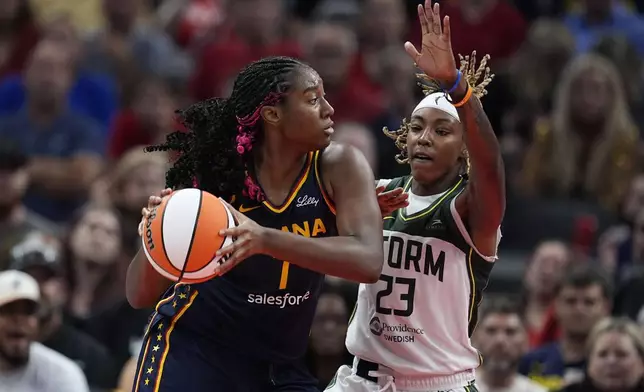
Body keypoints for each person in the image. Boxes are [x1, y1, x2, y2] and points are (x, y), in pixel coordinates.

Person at [126, 55, 385, 391]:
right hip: (196, 355)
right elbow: (138, 294)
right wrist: (157, 236)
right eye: (312, 99)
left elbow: (367, 261)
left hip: (281, 367)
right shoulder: (219, 174)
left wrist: (265, 239)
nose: (329, 109)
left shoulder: (339, 165)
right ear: (272, 114)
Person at [327, 2, 505, 391]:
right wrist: (348, 221)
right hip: (361, 379)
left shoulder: (470, 210)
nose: (424, 138)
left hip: (437, 383)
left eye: (442, 131)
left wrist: (457, 86)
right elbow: (318, 250)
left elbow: (491, 169)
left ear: (464, 149)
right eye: (418, 127)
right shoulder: (378, 194)